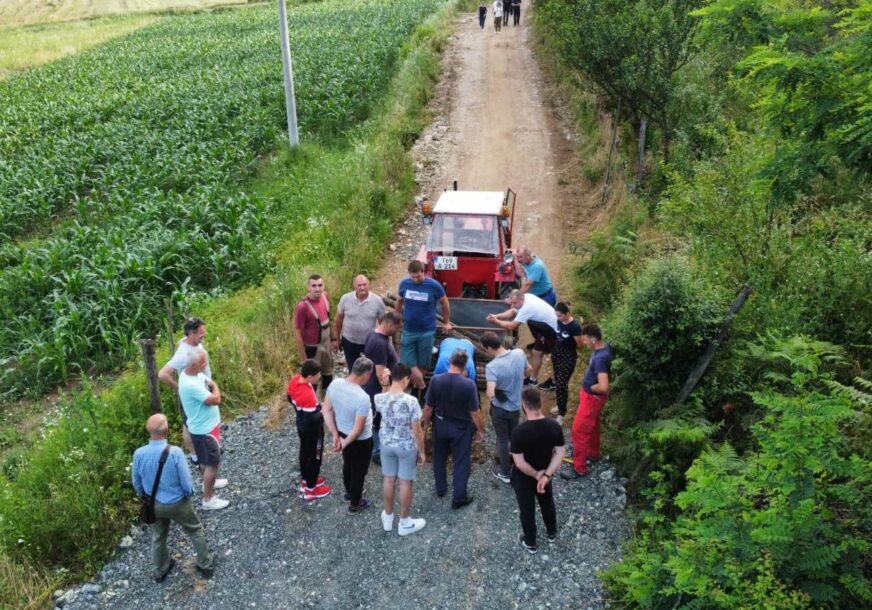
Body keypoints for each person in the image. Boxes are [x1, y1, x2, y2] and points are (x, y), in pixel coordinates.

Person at [132, 414, 214, 582]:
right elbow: (186, 481)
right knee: (195, 529)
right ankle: (204, 564)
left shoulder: (139, 454)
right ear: (167, 430)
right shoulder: (175, 452)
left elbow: (136, 482)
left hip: (153, 503)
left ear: (148, 430)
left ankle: (161, 569)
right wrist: (188, 494)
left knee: (158, 537)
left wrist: (144, 497)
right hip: (178, 503)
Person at [422, 349, 484, 509]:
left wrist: (425, 423)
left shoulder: (436, 380)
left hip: (440, 424)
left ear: (449, 361)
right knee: (461, 461)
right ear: (465, 365)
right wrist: (480, 430)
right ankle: (459, 497)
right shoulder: (469, 384)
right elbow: (475, 412)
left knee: (439, 457)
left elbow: (428, 407)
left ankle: (441, 489)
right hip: (461, 427)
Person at [510, 387, 565, 554]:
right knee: (547, 502)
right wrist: (546, 475)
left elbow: (519, 463)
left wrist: (536, 474)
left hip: (525, 478)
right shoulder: (554, 426)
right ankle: (551, 532)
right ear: (540, 403)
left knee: (527, 509)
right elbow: (560, 453)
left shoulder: (519, 432)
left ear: (525, 406)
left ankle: (531, 542)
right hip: (546, 475)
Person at [374, 363, 427, 536]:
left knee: (388, 480)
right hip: (406, 446)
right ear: (406, 379)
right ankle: (404, 522)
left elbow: (384, 400)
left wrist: (384, 384)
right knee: (405, 482)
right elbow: (417, 430)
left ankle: (388, 517)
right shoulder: (411, 402)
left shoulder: (379, 398)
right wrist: (422, 452)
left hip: (387, 444)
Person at [178, 346, 229, 510]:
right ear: (193, 365)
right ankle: (208, 499)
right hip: (204, 431)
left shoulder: (193, 374)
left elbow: (208, 381)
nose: (205, 366)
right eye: (202, 364)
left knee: (206, 461)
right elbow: (216, 399)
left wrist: (212, 385)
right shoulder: (190, 384)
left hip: (207, 427)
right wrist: (216, 388)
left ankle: (209, 484)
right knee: (212, 463)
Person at [323, 357, 375, 512]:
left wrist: (335, 436)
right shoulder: (362, 397)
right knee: (359, 471)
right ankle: (355, 503)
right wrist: (343, 443)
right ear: (365, 374)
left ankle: (348, 492)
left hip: (342, 433)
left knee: (347, 463)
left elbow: (326, 410)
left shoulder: (335, 383)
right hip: (361, 440)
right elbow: (358, 429)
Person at [395, 260, 453, 400]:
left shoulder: (433, 286)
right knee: (407, 361)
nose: (415, 279)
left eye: (418, 276)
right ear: (409, 274)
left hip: (427, 331)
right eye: (413, 277)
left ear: (423, 273)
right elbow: (399, 302)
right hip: (409, 329)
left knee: (423, 363)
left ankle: (416, 391)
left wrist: (446, 322)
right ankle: (424, 388)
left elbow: (445, 303)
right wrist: (397, 319)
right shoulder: (404, 284)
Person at [158, 317, 211, 464]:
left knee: (190, 423)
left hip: (201, 388)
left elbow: (183, 341)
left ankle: (201, 452)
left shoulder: (189, 341)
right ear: (192, 333)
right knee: (191, 425)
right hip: (192, 393)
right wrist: (180, 388)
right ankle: (197, 455)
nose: (204, 335)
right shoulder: (183, 353)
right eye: (201, 333)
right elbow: (162, 374)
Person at [562, 324, 612, 479]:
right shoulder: (605, 347)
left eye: (585, 339)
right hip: (593, 399)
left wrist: (592, 388)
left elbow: (603, 386)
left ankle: (579, 468)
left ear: (594, 339)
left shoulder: (600, 358)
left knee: (579, 430)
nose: (584, 342)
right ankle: (593, 453)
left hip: (592, 399)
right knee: (593, 425)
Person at [482, 331, 530, 484]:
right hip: (516, 406)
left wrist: (498, 390)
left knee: (502, 440)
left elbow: (490, 393)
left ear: (489, 348)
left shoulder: (492, 366)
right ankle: (518, 465)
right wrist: (518, 380)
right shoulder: (519, 353)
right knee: (514, 437)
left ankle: (505, 472)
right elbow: (528, 371)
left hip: (501, 410)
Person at [487, 289, 558, 387]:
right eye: (511, 302)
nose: (513, 305)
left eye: (515, 303)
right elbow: (512, 311)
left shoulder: (527, 308)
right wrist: (496, 316)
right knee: (537, 352)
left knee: (556, 357)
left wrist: (496, 321)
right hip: (545, 328)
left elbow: (512, 326)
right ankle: (533, 380)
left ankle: (554, 382)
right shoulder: (526, 297)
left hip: (554, 330)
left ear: (521, 299)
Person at [287, 359, 332, 501]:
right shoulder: (307, 394)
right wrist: (323, 411)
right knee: (315, 457)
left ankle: (306, 480)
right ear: (310, 376)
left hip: (300, 425)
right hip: (312, 430)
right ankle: (311, 489)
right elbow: (311, 419)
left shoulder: (295, 380)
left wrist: (307, 408)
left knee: (304, 452)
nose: (320, 376)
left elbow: (289, 398)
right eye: (318, 374)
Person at [362, 312, 402, 463]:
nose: (396, 331)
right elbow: (380, 373)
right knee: (377, 419)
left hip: (372, 384)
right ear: (390, 324)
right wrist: (387, 392)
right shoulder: (380, 343)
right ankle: (377, 452)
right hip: (376, 387)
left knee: (377, 418)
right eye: (396, 328)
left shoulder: (373, 334)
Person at [540, 302, 583, 425]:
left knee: (561, 385)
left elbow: (580, 345)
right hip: (557, 353)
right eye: (557, 315)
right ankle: (560, 405)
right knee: (558, 381)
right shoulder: (559, 321)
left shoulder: (575, 326)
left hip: (568, 357)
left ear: (567, 313)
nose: (558, 318)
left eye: (560, 316)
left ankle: (562, 414)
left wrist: (568, 346)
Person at [334, 275, 385, 373]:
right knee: (352, 368)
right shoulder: (345, 299)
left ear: (369, 284)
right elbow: (338, 320)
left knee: (371, 368)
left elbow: (382, 322)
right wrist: (337, 338)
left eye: (364, 284)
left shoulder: (377, 301)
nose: (362, 287)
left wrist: (382, 341)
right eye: (359, 285)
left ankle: (370, 386)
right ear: (354, 286)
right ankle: (354, 386)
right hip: (349, 340)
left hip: (370, 341)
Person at [294, 275, 335, 394]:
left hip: (326, 345)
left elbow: (329, 319)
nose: (317, 289)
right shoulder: (303, 307)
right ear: (308, 287)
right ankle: (312, 405)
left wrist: (333, 339)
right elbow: (297, 334)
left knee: (328, 374)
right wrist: (304, 360)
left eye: (320, 285)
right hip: (313, 349)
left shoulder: (325, 296)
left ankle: (326, 402)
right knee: (313, 380)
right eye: (314, 286)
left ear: (324, 286)